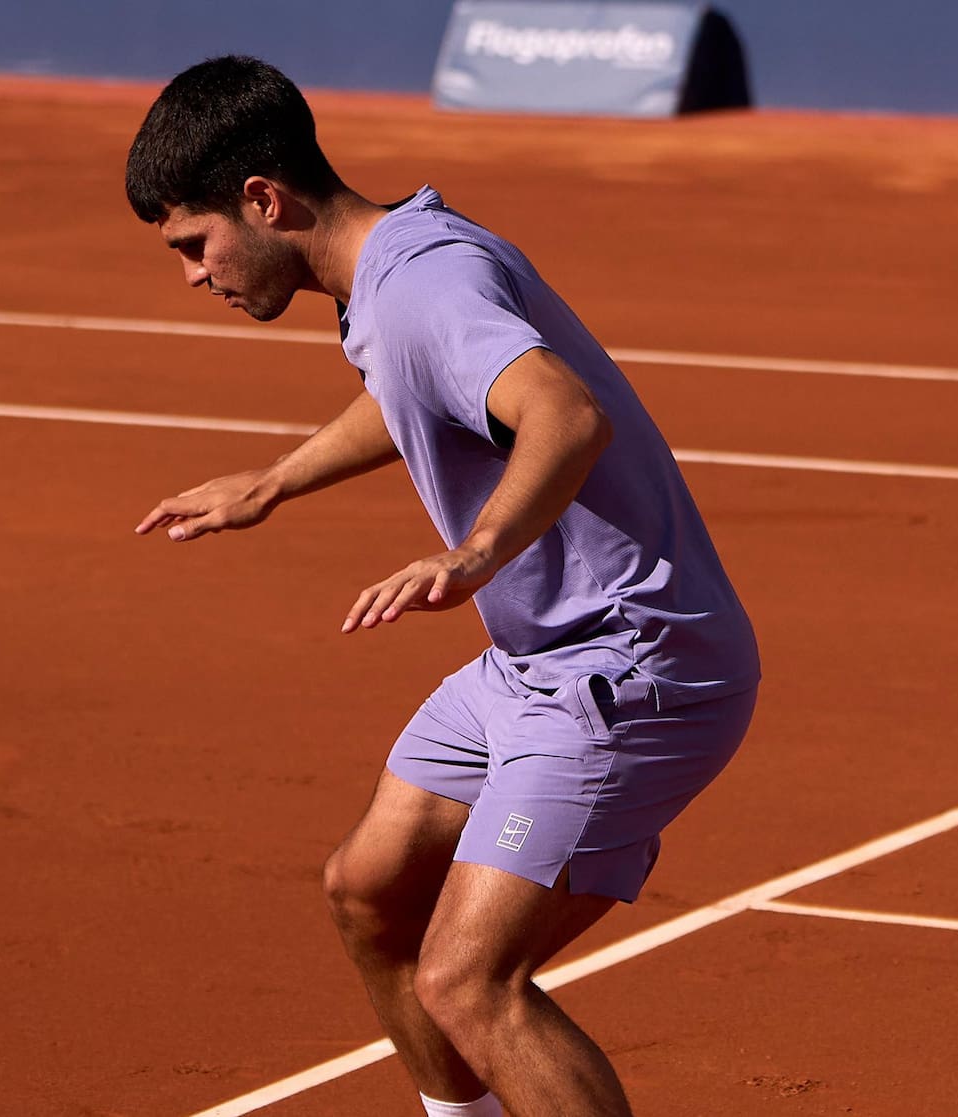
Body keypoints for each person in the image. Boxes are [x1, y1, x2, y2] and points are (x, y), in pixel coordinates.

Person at [127, 55, 759, 1117]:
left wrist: (477, 553)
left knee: (470, 980)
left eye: (195, 245)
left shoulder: (424, 284)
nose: (196, 274)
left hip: (629, 663)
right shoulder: (395, 270)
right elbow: (424, 389)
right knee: (369, 892)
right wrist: (275, 481)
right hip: (535, 663)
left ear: (263, 200)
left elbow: (564, 414)